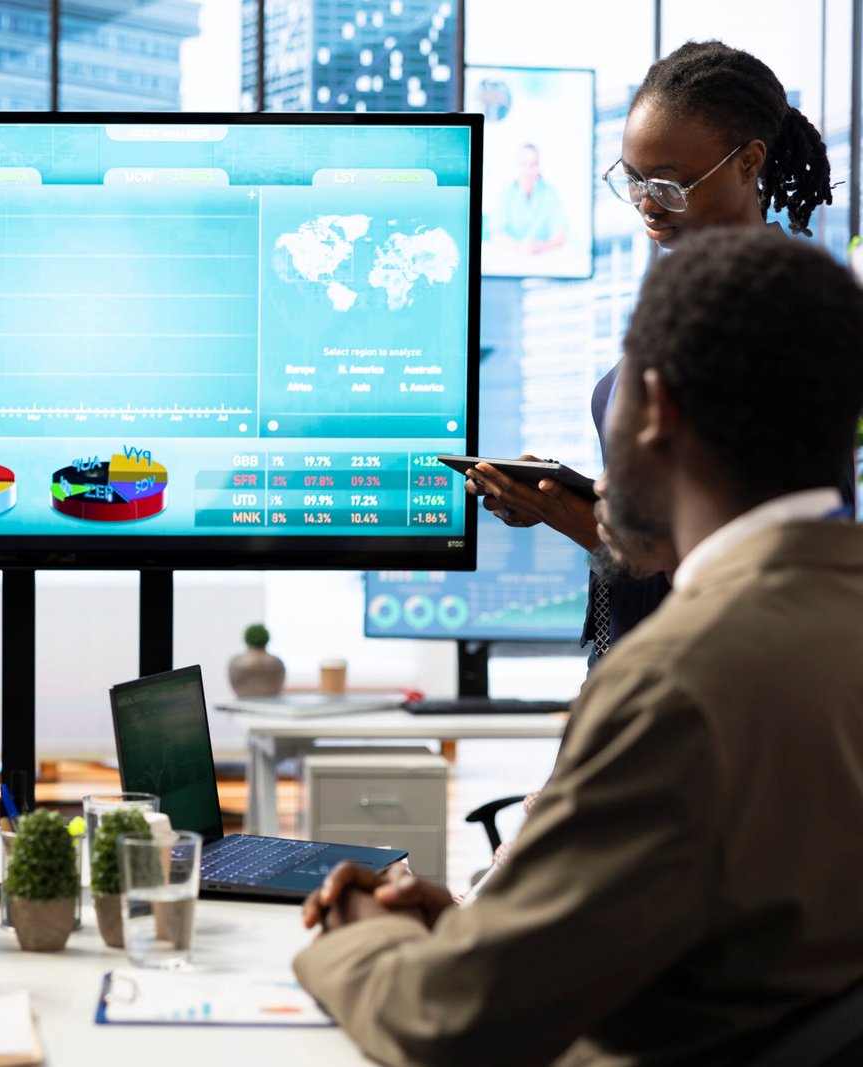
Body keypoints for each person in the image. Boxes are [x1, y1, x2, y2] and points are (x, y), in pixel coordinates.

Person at [295, 227, 863, 1065]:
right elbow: (744, 947)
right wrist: (476, 929)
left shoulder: (678, 682)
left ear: (659, 408)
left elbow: (449, 1022)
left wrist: (354, 934)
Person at [465, 40, 846, 661]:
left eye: (670, 183)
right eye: (634, 178)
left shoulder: (779, 316)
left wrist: (565, 511)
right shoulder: (695, 296)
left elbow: (721, 552)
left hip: (709, 673)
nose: (646, 203)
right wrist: (564, 500)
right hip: (642, 655)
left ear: (749, 162)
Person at [492, 143, 567, 254]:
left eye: (533, 164)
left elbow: (560, 237)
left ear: (538, 166)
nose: (528, 169)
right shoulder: (505, 193)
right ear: (517, 165)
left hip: (543, 257)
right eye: (523, 164)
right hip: (511, 256)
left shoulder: (550, 193)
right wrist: (519, 247)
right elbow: (496, 235)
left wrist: (540, 247)